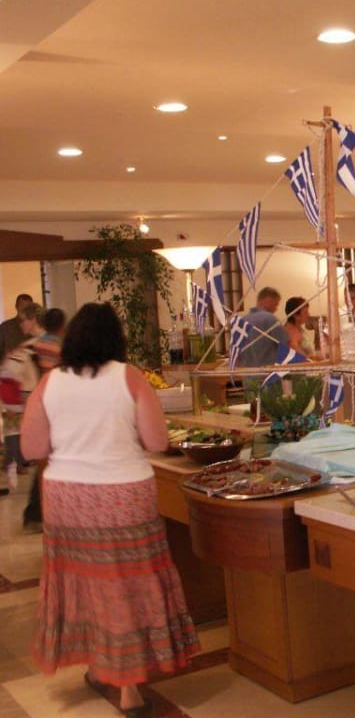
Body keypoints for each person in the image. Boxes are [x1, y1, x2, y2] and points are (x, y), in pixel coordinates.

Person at [20, 303, 199, 716]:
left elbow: (31, 448)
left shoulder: (50, 383)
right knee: (126, 585)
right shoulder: (129, 377)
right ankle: (129, 690)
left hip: (68, 498)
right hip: (123, 496)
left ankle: (99, 665)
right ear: (115, 339)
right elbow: (157, 441)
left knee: (85, 582)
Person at [21, 308, 66, 530]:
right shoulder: (61, 348)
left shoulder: (34, 345)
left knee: (43, 460)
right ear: (62, 326)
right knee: (49, 460)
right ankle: (36, 513)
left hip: (38, 403)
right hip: (54, 405)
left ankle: (36, 513)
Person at [0, 302, 46, 496]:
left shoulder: (37, 345)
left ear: (33, 320)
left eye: (23, 321)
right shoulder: (34, 345)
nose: (20, 325)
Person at [237, 287, 288, 368]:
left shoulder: (241, 321)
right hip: (267, 371)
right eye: (276, 304)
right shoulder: (270, 319)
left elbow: (235, 350)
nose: (276, 309)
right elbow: (285, 344)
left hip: (246, 372)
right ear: (268, 300)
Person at [0, 293, 34, 360]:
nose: (24, 309)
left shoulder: (35, 327)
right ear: (16, 306)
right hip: (9, 364)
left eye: (27, 307)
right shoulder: (5, 327)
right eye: (21, 305)